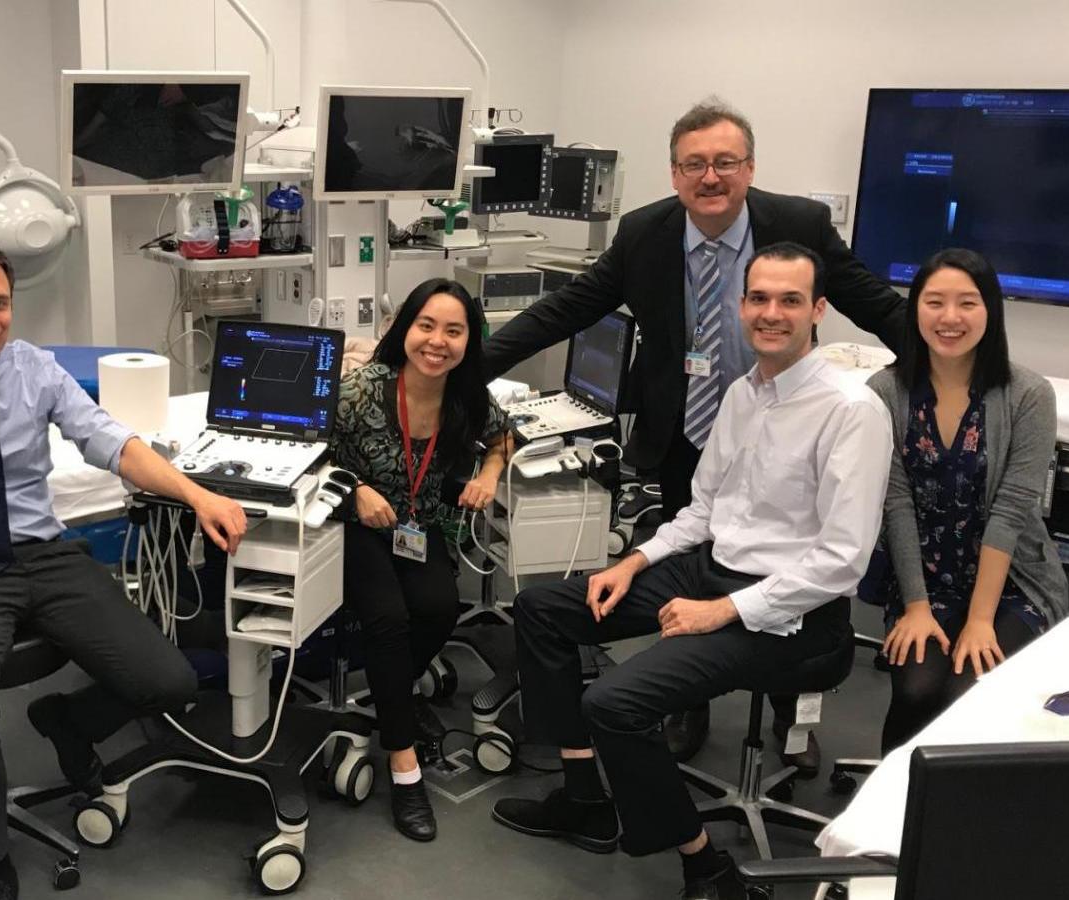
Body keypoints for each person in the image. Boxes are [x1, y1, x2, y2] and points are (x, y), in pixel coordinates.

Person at [482, 98, 908, 764]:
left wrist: (953, 367)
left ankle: (793, 710)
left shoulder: (798, 225)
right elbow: (568, 308)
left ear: (749, 168)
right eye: (694, 165)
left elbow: (872, 301)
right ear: (675, 174)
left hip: (791, 425)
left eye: (725, 163)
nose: (711, 178)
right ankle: (688, 700)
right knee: (703, 568)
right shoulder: (645, 233)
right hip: (696, 425)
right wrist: (469, 366)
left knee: (792, 556)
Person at [489, 244, 892, 900]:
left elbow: (842, 560)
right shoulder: (741, 394)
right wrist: (634, 560)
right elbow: (704, 510)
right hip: (710, 571)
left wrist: (721, 612)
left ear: (818, 310)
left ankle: (707, 866)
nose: (771, 312)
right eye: (758, 298)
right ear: (740, 307)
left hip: (792, 616)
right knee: (544, 611)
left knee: (613, 703)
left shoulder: (852, 410)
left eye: (790, 300)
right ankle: (586, 797)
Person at [0, 240, 249, 900]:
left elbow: (113, 443)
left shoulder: (34, 371)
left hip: (45, 554)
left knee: (169, 679)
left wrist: (198, 493)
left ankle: (68, 720)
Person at [862, 248, 1069, 754]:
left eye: (967, 303)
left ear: (990, 312)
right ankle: (888, 820)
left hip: (1012, 582)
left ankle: (958, 821)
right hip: (923, 578)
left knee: (968, 690)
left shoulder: (1029, 395)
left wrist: (980, 620)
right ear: (915, 311)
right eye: (934, 302)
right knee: (917, 688)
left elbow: (1012, 510)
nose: (949, 318)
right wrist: (914, 605)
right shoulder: (884, 391)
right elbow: (895, 506)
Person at [328, 278, 511, 841]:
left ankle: (392, 699)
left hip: (416, 525)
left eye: (453, 331)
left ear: (468, 340)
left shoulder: (467, 398)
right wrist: (354, 490)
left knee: (437, 608)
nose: (437, 341)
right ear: (405, 329)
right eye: (426, 326)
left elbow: (505, 437)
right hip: (357, 526)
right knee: (388, 618)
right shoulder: (361, 390)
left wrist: (488, 474)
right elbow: (307, 455)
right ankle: (404, 769)